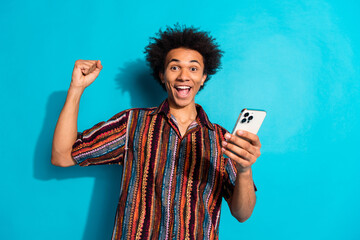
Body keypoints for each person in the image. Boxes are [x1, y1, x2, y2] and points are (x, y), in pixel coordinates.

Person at [51, 25, 262, 240]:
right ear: (162, 75)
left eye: (193, 68)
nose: (183, 76)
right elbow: (62, 156)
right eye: (174, 67)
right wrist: (76, 89)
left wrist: (244, 170)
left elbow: (242, 213)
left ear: (203, 77)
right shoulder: (132, 123)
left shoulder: (222, 139)